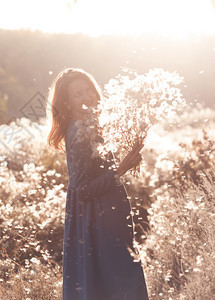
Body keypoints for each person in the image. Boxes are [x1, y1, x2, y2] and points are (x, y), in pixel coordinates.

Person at [47, 68, 149, 300]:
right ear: (67, 103)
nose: (87, 97)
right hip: (97, 222)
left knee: (116, 283)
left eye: (89, 90)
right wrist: (121, 168)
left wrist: (130, 156)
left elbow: (98, 171)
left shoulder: (91, 124)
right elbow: (82, 189)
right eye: (78, 94)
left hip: (106, 216)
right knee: (116, 285)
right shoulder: (79, 130)